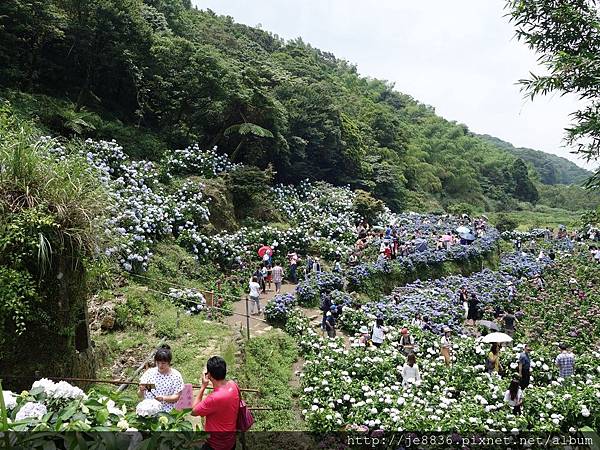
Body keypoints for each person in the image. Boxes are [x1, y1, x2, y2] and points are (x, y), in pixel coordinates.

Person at [192, 356, 239, 450]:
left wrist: (203, 387)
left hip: (215, 445)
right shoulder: (233, 385)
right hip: (230, 442)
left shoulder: (214, 398)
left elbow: (193, 411)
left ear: (209, 375)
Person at [138, 344, 184, 412]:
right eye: (158, 362)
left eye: (163, 363)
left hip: (166, 410)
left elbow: (177, 397)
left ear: (169, 362)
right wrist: (141, 390)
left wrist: (163, 398)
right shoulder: (149, 373)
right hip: (149, 410)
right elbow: (140, 395)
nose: (160, 365)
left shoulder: (175, 376)